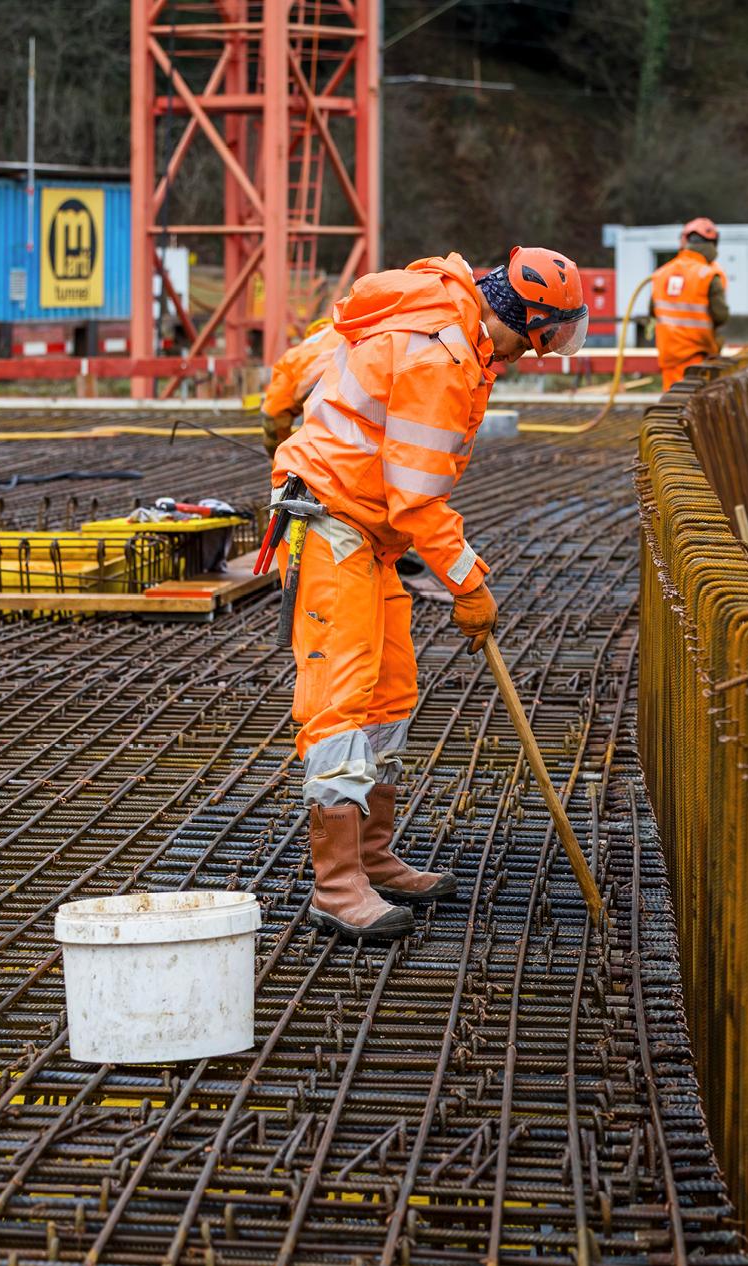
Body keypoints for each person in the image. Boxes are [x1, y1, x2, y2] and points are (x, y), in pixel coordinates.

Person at [271, 246, 588, 940]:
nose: (552, 348)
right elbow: (417, 498)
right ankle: (336, 885)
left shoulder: (446, 316)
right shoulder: (441, 355)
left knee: (390, 692)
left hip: (371, 531)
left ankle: (374, 856)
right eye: (557, 333)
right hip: (334, 523)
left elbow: (310, 366)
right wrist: (469, 585)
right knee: (342, 704)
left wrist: (277, 410)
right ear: (532, 324)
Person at [650, 217, 729, 390]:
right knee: (695, 409)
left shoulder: (661, 273)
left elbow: (653, 310)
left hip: (668, 356)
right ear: (712, 244)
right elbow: (721, 316)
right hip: (697, 358)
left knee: (671, 408)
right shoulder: (708, 275)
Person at [259, 317, 341, 460]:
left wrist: (280, 458)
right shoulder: (350, 331)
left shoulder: (292, 357)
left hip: (324, 418)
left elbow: (273, 414)